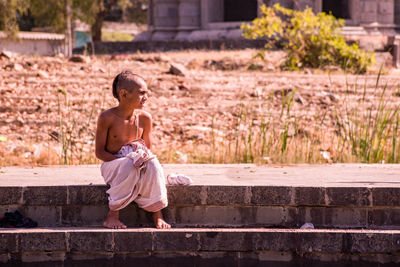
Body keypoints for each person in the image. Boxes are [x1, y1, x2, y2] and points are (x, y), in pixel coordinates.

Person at [95, 70, 170, 229]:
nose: (146, 97)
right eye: (141, 93)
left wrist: (140, 160)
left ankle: (158, 214)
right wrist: (127, 161)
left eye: (147, 93)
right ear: (123, 94)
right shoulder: (107, 117)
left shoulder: (145, 118)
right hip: (113, 165)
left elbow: (147, 149)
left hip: (137, 163)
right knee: (129, 166)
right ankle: (112, 215)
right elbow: (100, 153)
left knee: (153, 164)